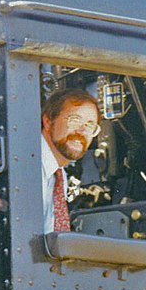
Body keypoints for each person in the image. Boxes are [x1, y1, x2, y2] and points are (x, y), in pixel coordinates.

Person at [40, 88, 101, 233]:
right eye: (75, 120)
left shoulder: (59, 175)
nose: (82, 131)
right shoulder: (21, 161)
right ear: (48, 121)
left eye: (90, 125)